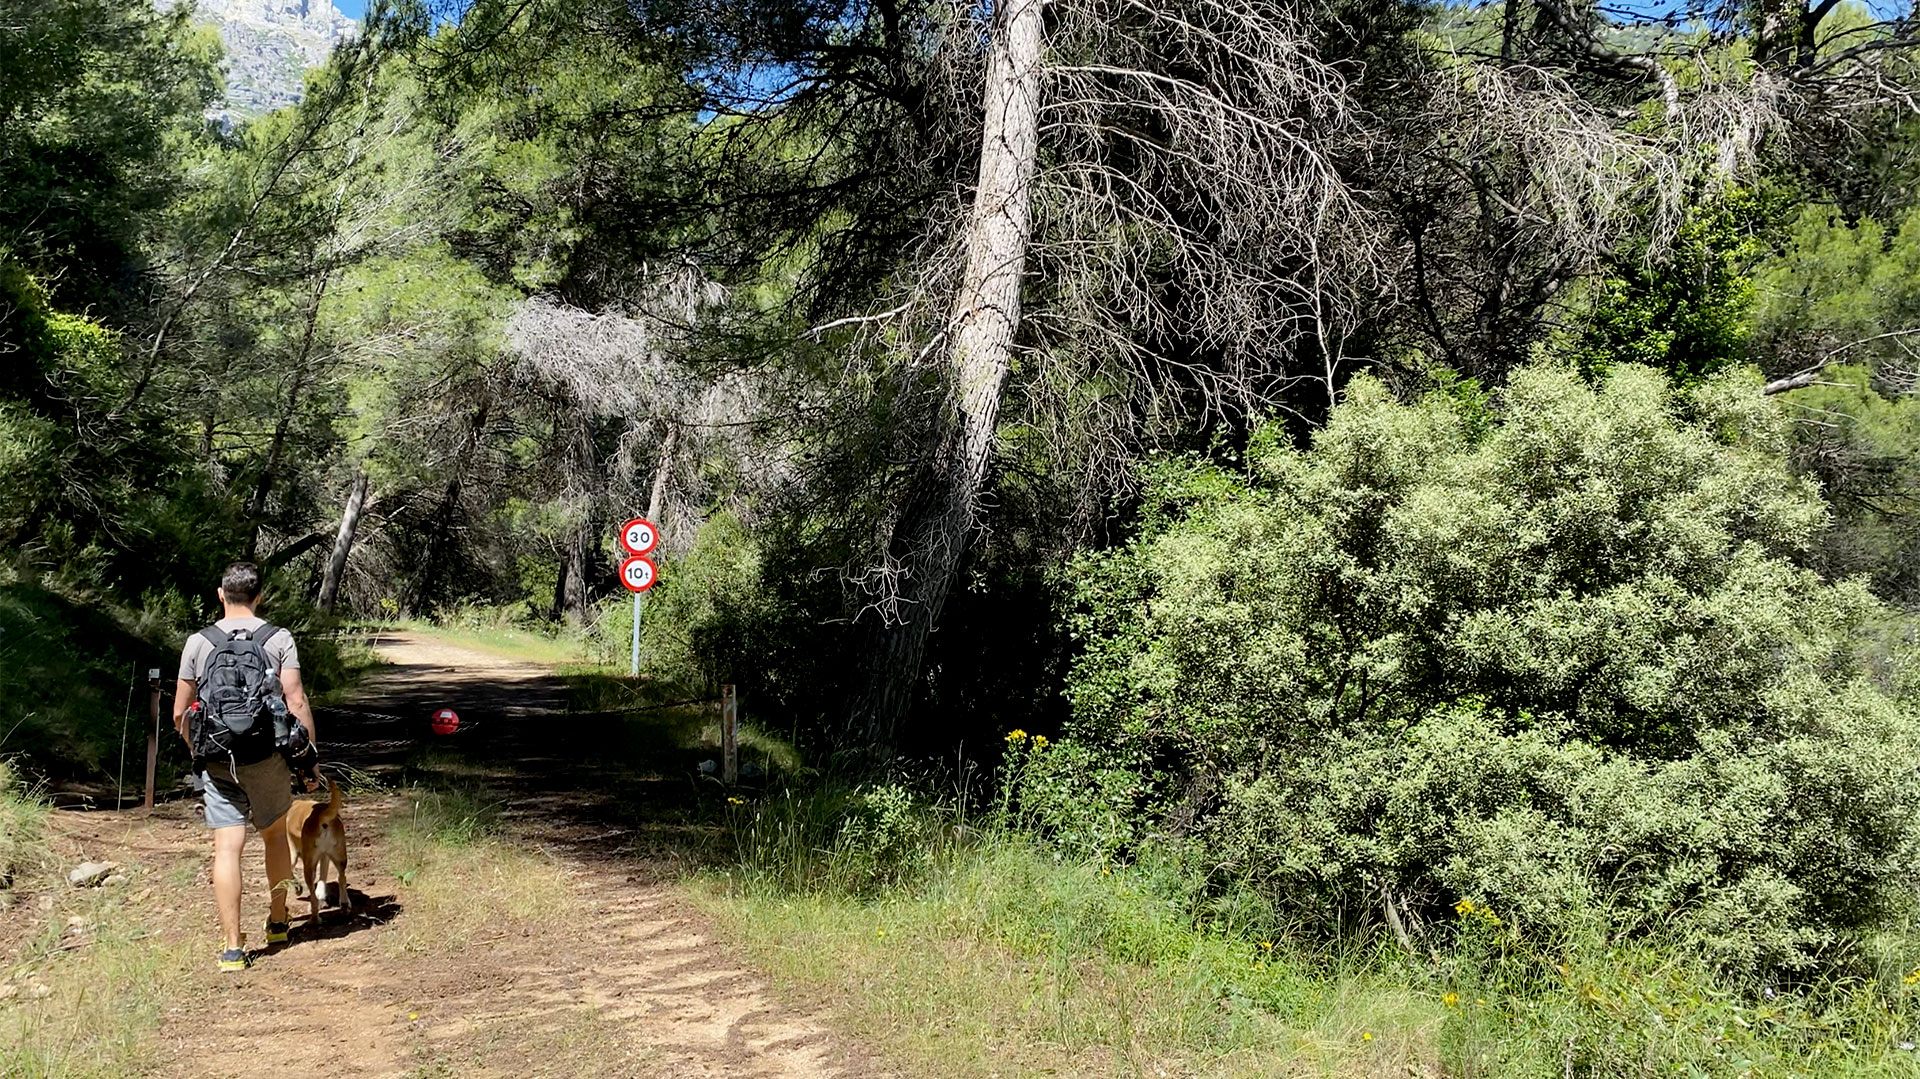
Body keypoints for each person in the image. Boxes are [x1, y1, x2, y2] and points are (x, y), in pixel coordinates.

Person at [172, 561, 317, 972]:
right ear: (259, 596)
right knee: (274, 836)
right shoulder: (278, 638)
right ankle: (277, 919)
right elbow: (296, 701)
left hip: (217, 759)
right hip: (266, 756)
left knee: (227, 848)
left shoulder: (198, 642)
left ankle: (233, 947)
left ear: (221, 595)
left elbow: (180, 712)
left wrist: (198, 750)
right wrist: (308, 759)